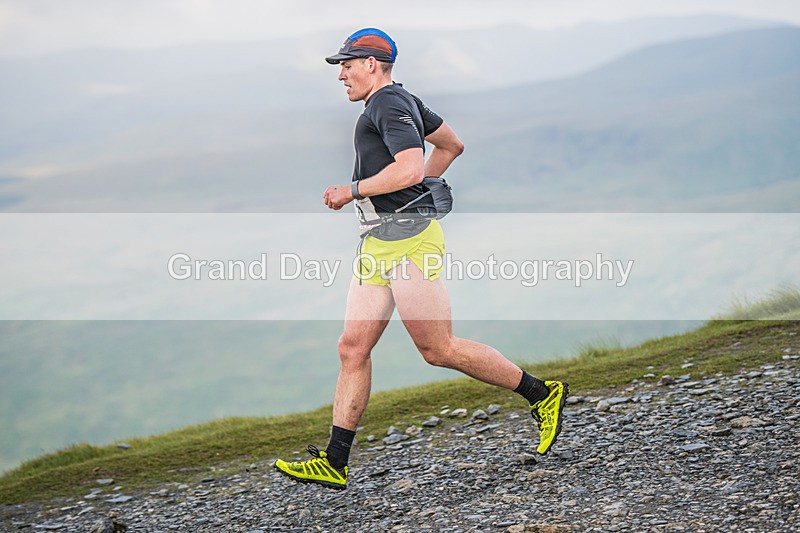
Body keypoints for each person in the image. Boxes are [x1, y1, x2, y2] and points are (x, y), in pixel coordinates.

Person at [273, 28, 568, 490]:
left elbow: (410, 167)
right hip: (378, 242)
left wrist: (351, 190)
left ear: (372, 64)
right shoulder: (404, 101)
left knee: (437, 349)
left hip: (410, 243)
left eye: (347, 65)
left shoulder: (388, 104)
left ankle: (542, 393)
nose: (342, 75)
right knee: (352, 347)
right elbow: (453, 146)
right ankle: (334, 459)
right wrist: (416, 194)